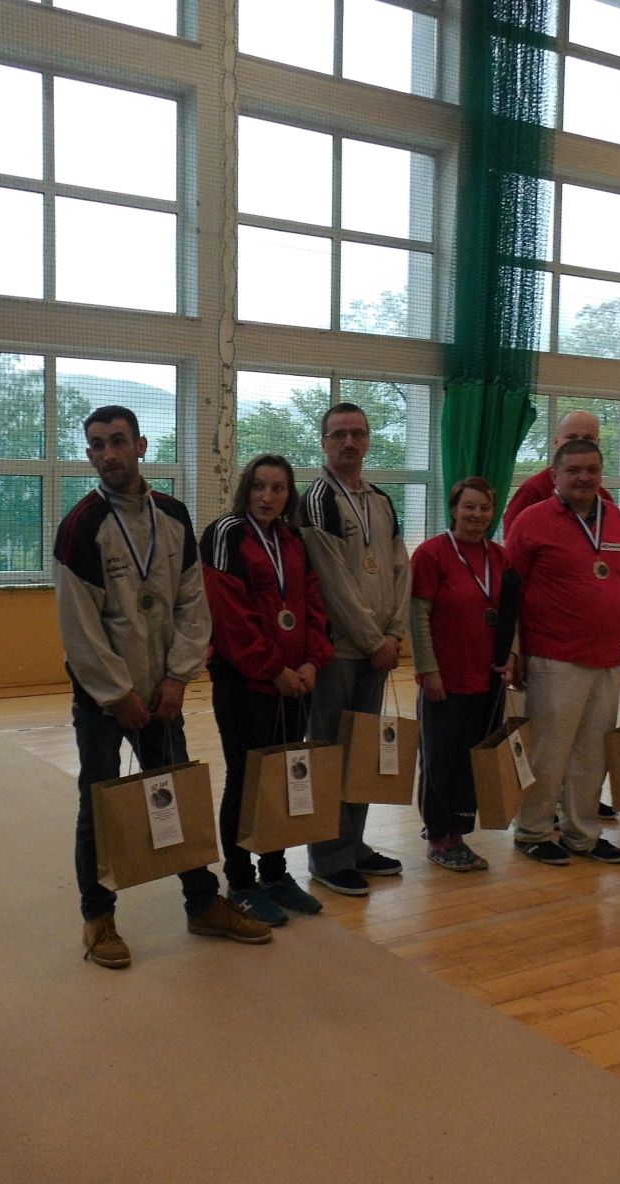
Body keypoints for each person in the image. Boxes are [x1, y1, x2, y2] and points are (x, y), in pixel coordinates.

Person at [56, 405, 272, 969]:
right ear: (89, 455)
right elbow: (80, 627)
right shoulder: (81, 526)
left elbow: (192, 604)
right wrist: (118, 695)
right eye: (97, 444)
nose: (108, 453)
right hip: (105, 700)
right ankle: (98, 917)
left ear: (141, 445)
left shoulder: (173, 515)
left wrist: (177, 678)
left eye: (118, 441)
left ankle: (203, 904)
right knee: (99, 805)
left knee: (176, 796)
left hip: (163, 694)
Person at [201, 454, 335, 925]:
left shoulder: (292, 539)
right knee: (245, 779)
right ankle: (240, 882)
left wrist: (313, 660)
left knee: (281, 779)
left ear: (288, 495)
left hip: (295, 683)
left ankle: (275, 873)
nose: (267, 496)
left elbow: (313, 603)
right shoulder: (225, 534)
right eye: (259, 486)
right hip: (245, 683)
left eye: (278, 488)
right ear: (246, 489)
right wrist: (273, 668)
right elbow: (227, 614)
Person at [297, 402, 411, 897]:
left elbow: (401, 569)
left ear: (368, 440)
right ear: (323, 442)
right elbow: (331, 583)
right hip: (339, 652)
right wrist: (373, 640)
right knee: (329, 752)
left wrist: (396, 633)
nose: (349, 442)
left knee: (363, 752)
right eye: (339, 434)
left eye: (357, 434)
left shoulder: (381, 500)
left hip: (379, 649)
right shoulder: (315, 501)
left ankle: (354, 843)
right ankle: (328, 855)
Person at [504, 439, 620, 865]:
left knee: (592, 754)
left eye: (591, 470)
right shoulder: (532, 520)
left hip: (608, 658)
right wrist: (514, 651)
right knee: (549, 752)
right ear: (554, 475)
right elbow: (509, 591)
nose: (583, 477)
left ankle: (583, 834)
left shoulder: (615, 517)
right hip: (553, 657)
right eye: (574, 470)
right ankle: (533, 831)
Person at [409, 477, 516, 872]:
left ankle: (457, 832)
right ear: (454, 509)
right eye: (469, 507)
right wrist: (428, 669)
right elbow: (418, 616)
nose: (476, 515)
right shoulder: (431, 554)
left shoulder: (500, 556)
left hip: (487, 678)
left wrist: (511, 656)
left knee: (472, 760)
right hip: (445, 678)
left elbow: (511, 614)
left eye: (484, 508)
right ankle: (438, 837)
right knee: (440, 760)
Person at [499, 409, 616, 533]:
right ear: (556, 442)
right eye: (571, 437)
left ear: (597, 443)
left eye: (588, 438)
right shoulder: (534, 490)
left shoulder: (604, 497)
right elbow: (512, 537)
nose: (579, 443)